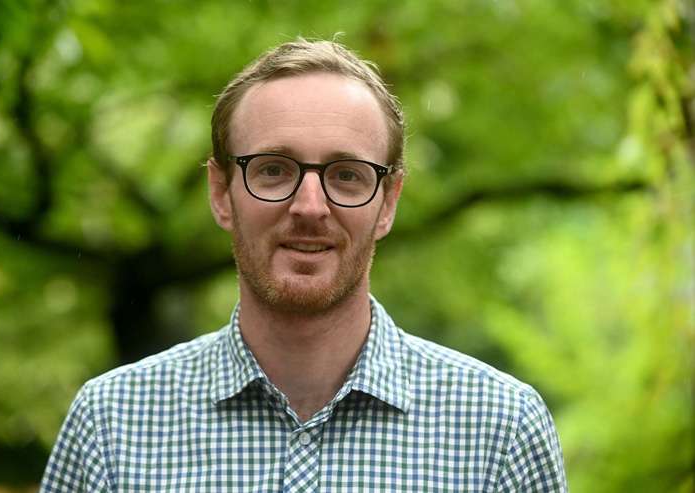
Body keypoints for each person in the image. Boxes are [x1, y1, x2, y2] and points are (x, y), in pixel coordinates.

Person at [41, 38, 567, 492]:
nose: (310, 207)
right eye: (273, 170)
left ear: (388, 202)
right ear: (221, 192)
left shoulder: (500, 430)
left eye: (347, 175)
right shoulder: (112, 426)